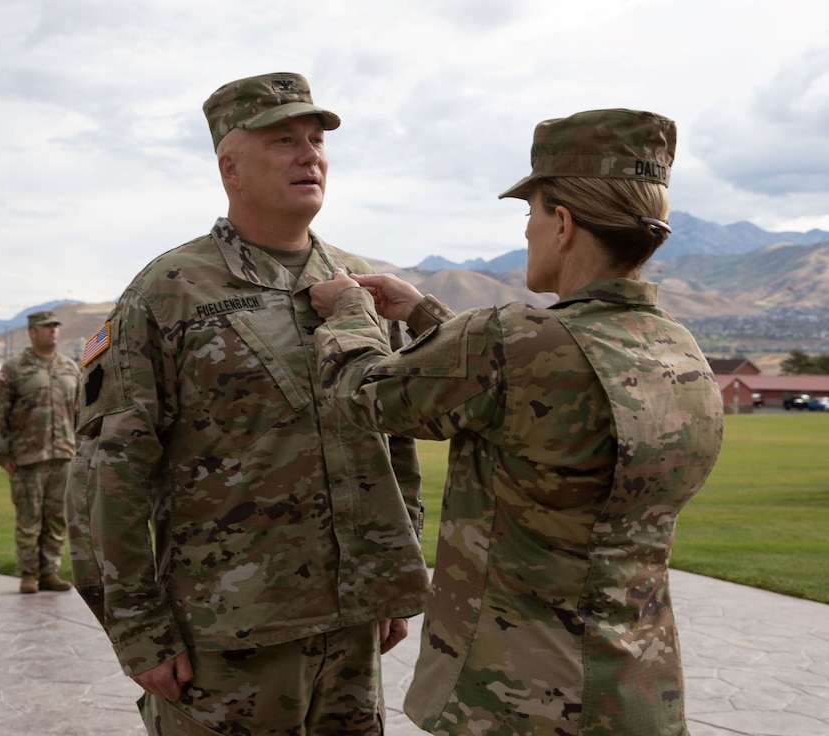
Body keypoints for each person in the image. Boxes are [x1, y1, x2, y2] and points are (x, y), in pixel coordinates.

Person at [309, 108, 725, 735]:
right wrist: (424, 314)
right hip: (636, 694)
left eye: (529, 213)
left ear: (561, 223)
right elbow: (533, 386)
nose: (528, 229)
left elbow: (360, 392)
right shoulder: (680, 351)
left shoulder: (512, 339)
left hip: (519, 704)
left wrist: (349, 313)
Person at [65, 72, 429, 736]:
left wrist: (388, 578)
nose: (309, 154)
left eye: (316, 140)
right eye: (284, 139)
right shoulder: (170, 291)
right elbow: (106, 473)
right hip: (227, 639)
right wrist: (139, 631)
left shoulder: (357, 285)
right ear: (230, 165)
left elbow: (392, 439)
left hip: (351, 634)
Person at [0, 310, 79, 594]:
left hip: (64, 455)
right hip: (27, 458)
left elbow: (81, 411)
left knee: (57, 518)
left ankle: (50, 572)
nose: (53, 331)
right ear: (32, 332)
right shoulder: (13, 369)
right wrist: (1, 453)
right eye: (46, 327)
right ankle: (28, 574)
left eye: (55, 327)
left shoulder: (70, 368)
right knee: (29, 520)